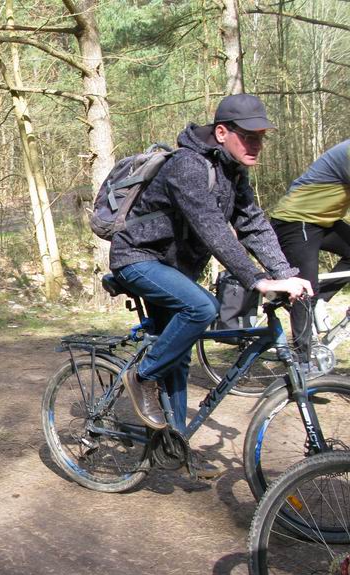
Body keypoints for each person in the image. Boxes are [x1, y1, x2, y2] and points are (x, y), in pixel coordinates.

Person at [109, 94, 312, 477]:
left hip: (173, 269)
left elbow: (252, 224)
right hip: (137, 259)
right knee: (202, 308)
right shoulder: (187, 166)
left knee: (180, 357)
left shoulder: (234, 173)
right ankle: (141, 377)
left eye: (261, 137)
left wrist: (284, 273)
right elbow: (213, 229)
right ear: (222, 132)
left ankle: (175, 444)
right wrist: (257, 278)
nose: (256, 145)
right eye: (249, 136)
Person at [269, 139, 350, 364]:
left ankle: (320, 300)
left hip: (324, 220)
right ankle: (303, 364)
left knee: (312, 297)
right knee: (304, 290)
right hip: (296, 219)